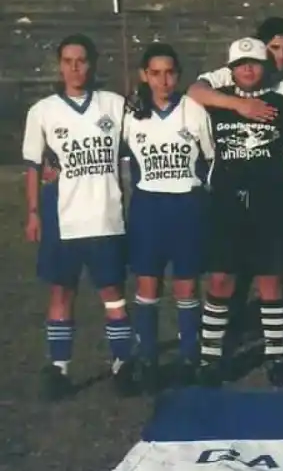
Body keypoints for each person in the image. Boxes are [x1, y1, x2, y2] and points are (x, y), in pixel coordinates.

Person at [198, 37, 283, 388]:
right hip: (227, 206)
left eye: (254, 63)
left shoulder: (282, 106)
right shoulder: (216, 105)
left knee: (271, 282)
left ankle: (276, 356)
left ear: (265, 67)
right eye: (241, 64)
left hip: (271, 205)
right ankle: (210, 358)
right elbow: (193, 91)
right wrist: (237, 106)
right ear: (231, 69)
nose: (248, 69)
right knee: (221, 280)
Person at [22, 34, 136, 400]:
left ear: (93, 63)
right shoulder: (42, 111)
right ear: (59, 65)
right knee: (62, 290)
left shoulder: (114, 104)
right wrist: (34, 213)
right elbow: (33, 167)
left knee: (113, 293)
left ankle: (123, 364)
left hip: (106, 216)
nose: (75, 67)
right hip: (62, 217)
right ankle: (59, 368)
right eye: (68, 61)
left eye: (82, 60)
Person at [123, 43, 215, 392]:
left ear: (178, 74)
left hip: (186, 206)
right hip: (149, 206)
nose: (163, 80)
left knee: (187, 286)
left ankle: (189, 357)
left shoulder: (193, 110)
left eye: (170, 72)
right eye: (156, 73)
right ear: (144, 75)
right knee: (148, 285)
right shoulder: (130, 114)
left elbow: (210, 160)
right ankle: (147, 359)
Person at [188, 16, 283, 122]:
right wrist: (239, 104)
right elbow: (195, 92)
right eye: (274, 48)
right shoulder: (237, 74)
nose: (281, 55)